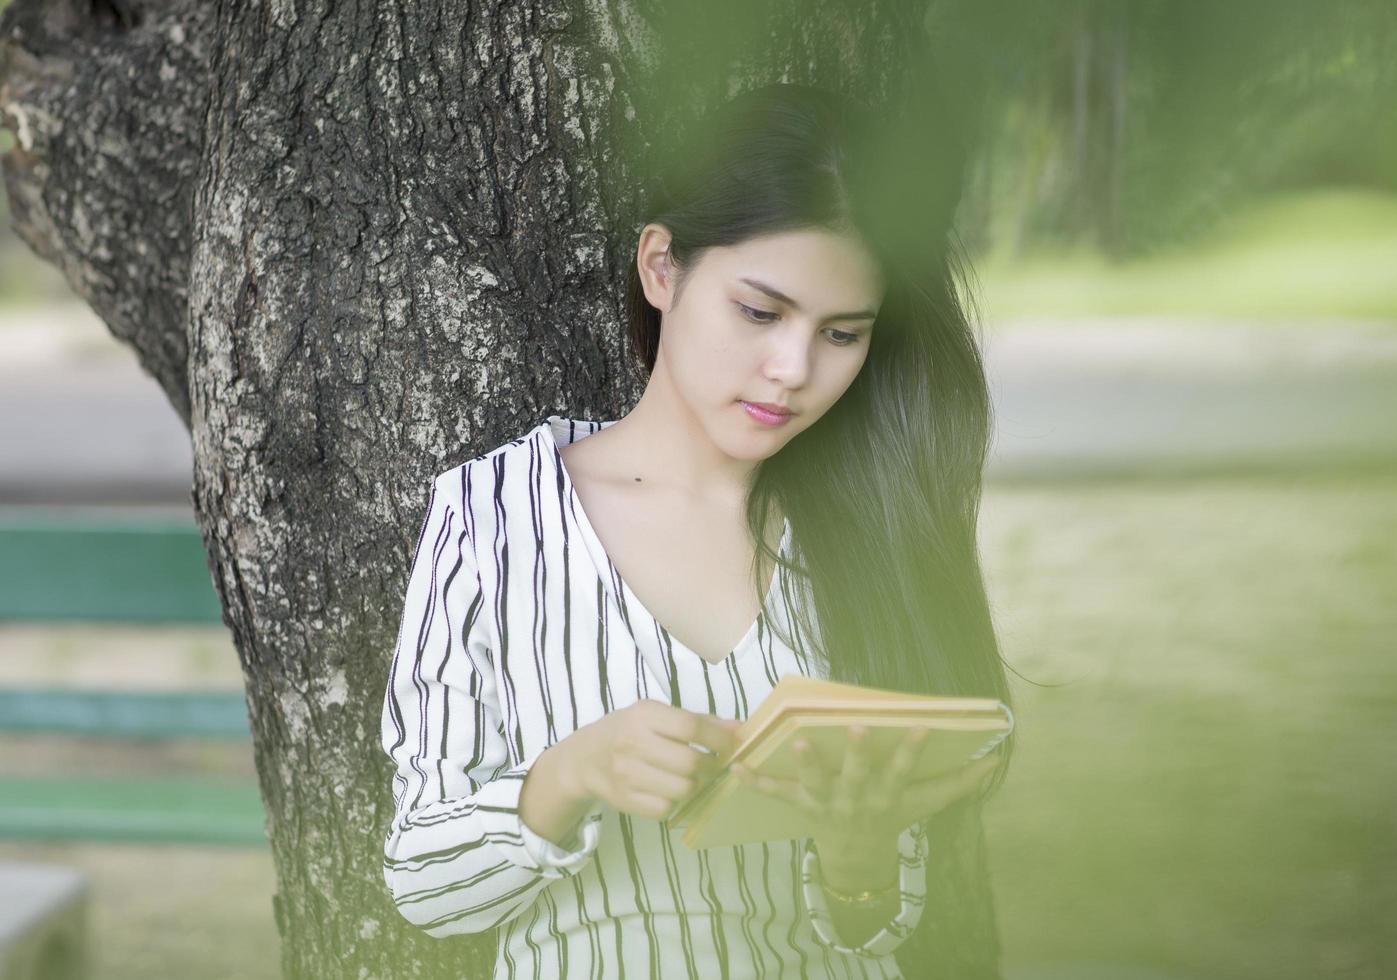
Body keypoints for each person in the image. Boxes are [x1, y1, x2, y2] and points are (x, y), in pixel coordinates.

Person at [380, 81, 1015, 978]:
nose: (792, 370)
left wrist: (859, 850)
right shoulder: (494, 515)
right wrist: (573, 773)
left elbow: (876, 927)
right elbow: (421, 884)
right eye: (760, 312)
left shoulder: (862, 532)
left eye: (842, 333)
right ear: (661, 268)